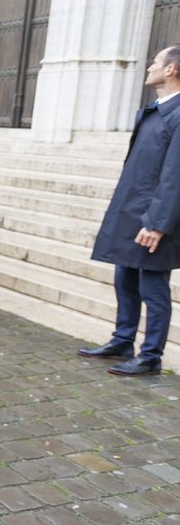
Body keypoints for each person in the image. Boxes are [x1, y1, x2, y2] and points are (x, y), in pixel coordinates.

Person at [81, 44, 180, 376]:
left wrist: (157, 223)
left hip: (154, 220)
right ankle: (123, 340)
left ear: (171, 69)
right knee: (124, 278)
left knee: (153, 288)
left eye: (155, 62)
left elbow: (174, 176)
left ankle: (150, 355)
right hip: (131, 212)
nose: (149, 66)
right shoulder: (152, 110)